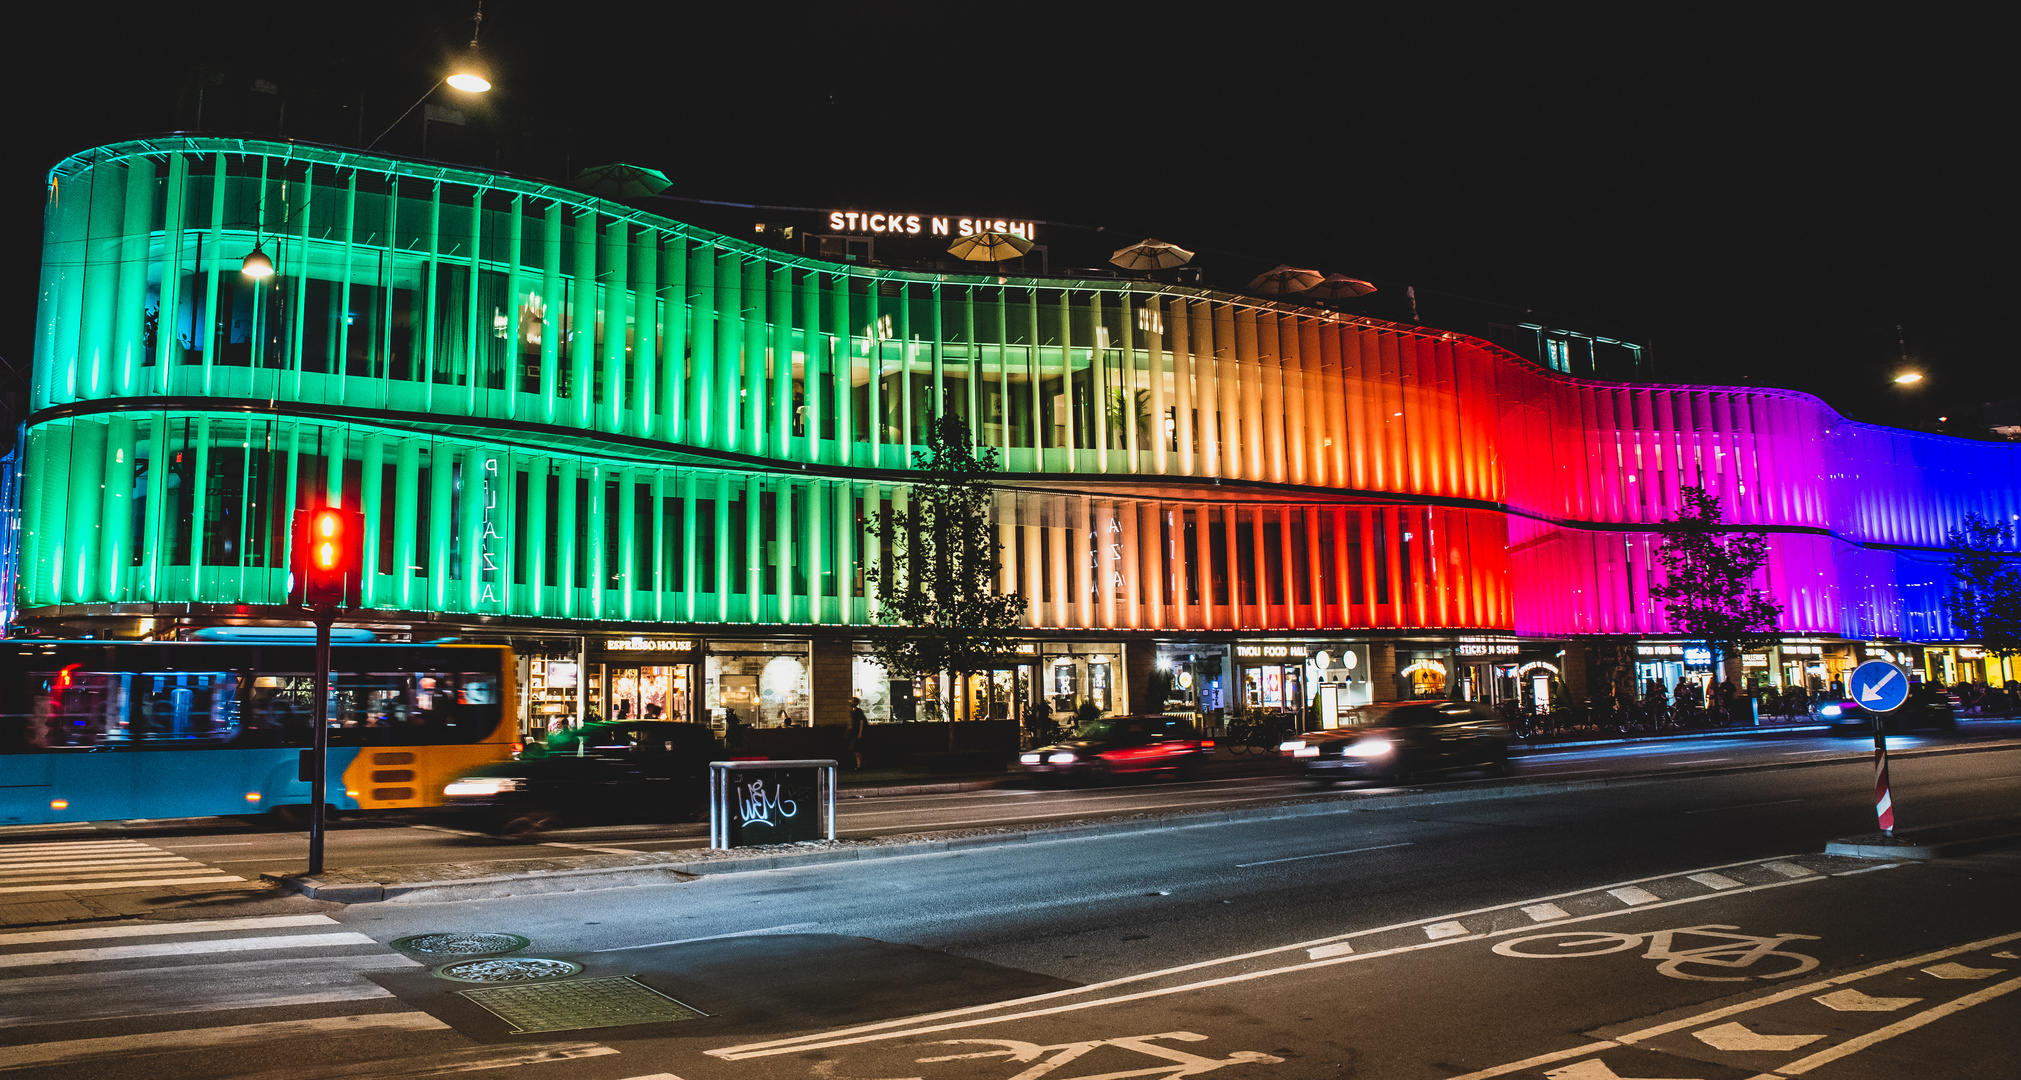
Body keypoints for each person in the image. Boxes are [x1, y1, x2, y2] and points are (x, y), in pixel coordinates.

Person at [847, 696, 869, 770]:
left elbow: (861, 722)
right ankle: (861, 763)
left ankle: (860, 764)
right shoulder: (853, 711)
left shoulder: (858, 711)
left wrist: (860, 733)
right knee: (855, 749)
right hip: (854, 732)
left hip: (856, 733)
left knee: (855, 749)